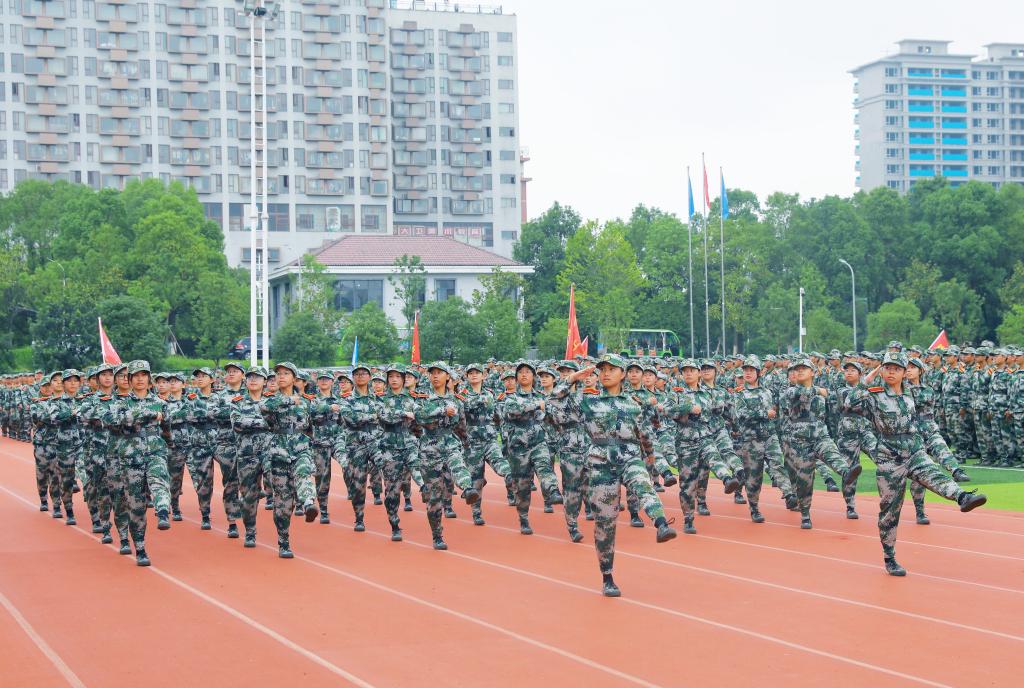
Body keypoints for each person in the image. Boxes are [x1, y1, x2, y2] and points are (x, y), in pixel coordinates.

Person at [848, 352, 987, 576]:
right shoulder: (874, 394)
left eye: (896, 368)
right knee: (889, 511)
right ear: (881, 370)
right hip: (889, 457)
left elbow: (923, 420)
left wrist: (931, 445)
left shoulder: (913, 393)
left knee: (933, 473)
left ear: (904, 373)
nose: (891, 372)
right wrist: (867, 380)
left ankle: (963, 497)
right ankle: (890, 557)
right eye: (887, 367)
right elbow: (849, 403)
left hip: (913, 449)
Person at [553, 354, 677, 597]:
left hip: (630, 457)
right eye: (603, 369)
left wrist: (651, 457)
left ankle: (661, 524)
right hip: (601, 465)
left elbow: (644, 434)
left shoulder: (633, 403)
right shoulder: (587, 402)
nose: (606, 373)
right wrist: (573, 378)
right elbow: (555, 400)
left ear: (623, 374)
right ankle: (607, 576)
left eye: (612, 369)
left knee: (643, 485)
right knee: (605, 524)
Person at [778, 357, 861, 530]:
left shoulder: (822, 395)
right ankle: (805, 513)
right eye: (797, 369)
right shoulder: (790, 391)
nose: (800, 371)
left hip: (820, 435)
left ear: (813, 372)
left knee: (831, 452)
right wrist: (820, 390)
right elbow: (802, 394)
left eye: (804, 368)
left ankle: (846, 472)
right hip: (799, 441)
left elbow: (831, 413)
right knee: (805, 481)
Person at [106, 360, 173, 567]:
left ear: (149, 378)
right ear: (129, 379)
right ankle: (141, 548)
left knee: (159, 481)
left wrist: (168, 443)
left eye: (144, 375)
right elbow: (116, 420)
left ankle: (163, 511)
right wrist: (149, 414)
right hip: (130, 456)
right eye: (135, 376)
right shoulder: (120, 403)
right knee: (135, 506)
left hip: (155, 451)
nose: (140, 379)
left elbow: (167, 426)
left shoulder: (161, 402)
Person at [410, 362, 480, 550]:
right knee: (434, 498)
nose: (435, 376)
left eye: (439, 373)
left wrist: (466, 443)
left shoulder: (456, 400)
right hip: (429, 448)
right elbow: (419, 417)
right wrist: (441, 411)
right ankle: (437, 535)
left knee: (458, 465)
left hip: (450, 441)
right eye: (432, 373)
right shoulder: (422, 397)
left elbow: (461, 425)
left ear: (447, 376)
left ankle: (467, 489)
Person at [668, 359, 741, 535]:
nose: (688, 373)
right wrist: (688, 408)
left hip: (705, 436)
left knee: (714, 457)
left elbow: (716, 413)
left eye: (692, 370)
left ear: (698, 373)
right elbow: (667, 410)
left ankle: (727, 479)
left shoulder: (707, 394)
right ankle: (688, 519)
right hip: (685, 442)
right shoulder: (676, 393)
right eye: (685, 371)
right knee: (688, 484)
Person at [258, 362, 319, 558]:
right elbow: (264, 408)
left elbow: (312, 424)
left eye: (286, 373)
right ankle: (283, 541)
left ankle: (308, 503)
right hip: (279, 451)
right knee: (283, 502)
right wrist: (289, 400)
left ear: (295, 378)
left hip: (301, 446)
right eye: (278, 374)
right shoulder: (270, 399)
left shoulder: (307, 401)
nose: (281, 376)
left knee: (304, 471)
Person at [499, 360, 564, 535]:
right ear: (516, 377)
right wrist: (536, 405)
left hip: (538, 442)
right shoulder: (511, 397)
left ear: (533, 376)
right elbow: (513, 410)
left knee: (545, 467)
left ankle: (553, 491)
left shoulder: (541, 396)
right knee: (522, 487)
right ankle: (523, 518)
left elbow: (551, 414)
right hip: (518, 448)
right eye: (521, 372)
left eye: (528, 372)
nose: (524, 374)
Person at [732, 356, 797, 522]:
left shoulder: (767, 392)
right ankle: (754, 508)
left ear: (758, 373)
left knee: (778, 465)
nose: (747, 373)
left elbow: (773, 411)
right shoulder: (740, 393)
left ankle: (789, 494)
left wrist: (772, 417)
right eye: (745, 370)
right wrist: (764, 413)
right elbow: (741, 414)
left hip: (769, 435)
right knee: (754, 476)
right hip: (751, 439)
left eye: (751, 370)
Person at [461, 363, 511, 527]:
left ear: (483, 375)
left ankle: (510, 477)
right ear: (467, 377)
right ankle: (476, 513)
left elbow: (497, 415)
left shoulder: (491, 393)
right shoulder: (462, 395)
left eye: (477, 372)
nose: (474, 375)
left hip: (490, 439)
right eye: (471, 373)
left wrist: (499, 429)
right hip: (472, 443)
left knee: (499, 460)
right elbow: (461, 417)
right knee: (476, 480)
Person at [375, 363, 420, 540]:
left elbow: (418, 421)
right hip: (389, 448)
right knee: (392, 491)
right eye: (391, 376)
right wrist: (404, 414)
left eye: (398, 376)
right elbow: (384, 416)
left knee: (419, 472)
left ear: (403, 379)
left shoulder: (413, 398)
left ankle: (425, 490)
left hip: (410, 444)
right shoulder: (380, 399)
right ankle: (394, 524)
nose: (394, 379)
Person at [230, 366, 273, 548]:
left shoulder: (272, 401)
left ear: (265, 381)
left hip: (270, 453)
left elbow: (278, 422)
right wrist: (265, 422)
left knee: (281, 486)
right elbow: (238, 424)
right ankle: (250, 532)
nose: (253, 380)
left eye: (257, 377)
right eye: (250, 377)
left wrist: (254, 423)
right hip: (247, 455)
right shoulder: (237, 402)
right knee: (248, 496)